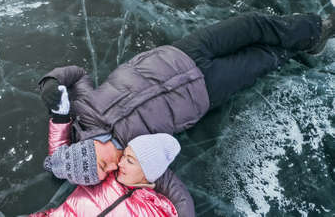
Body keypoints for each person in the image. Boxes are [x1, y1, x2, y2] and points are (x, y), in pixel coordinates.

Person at [38, 12, 335, 216]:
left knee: (252, 24)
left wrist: (50, 82)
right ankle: (306, 43)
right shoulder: (133, 159)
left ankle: (316, 29)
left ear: (90, 146)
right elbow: (174, 190)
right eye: (104, 172)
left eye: (102, 165)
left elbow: (75, 75)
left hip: (180, 55)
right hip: (203, 92)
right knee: (262, 59)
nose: (108, 171)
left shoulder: (85, 110)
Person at [29, 102, 184, 216]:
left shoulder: (156, 209)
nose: (119, 163)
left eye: (129, 160)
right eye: (124, 156)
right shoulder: (101, 176)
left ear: (147, 172)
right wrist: (60, 120)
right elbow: (64, 163)